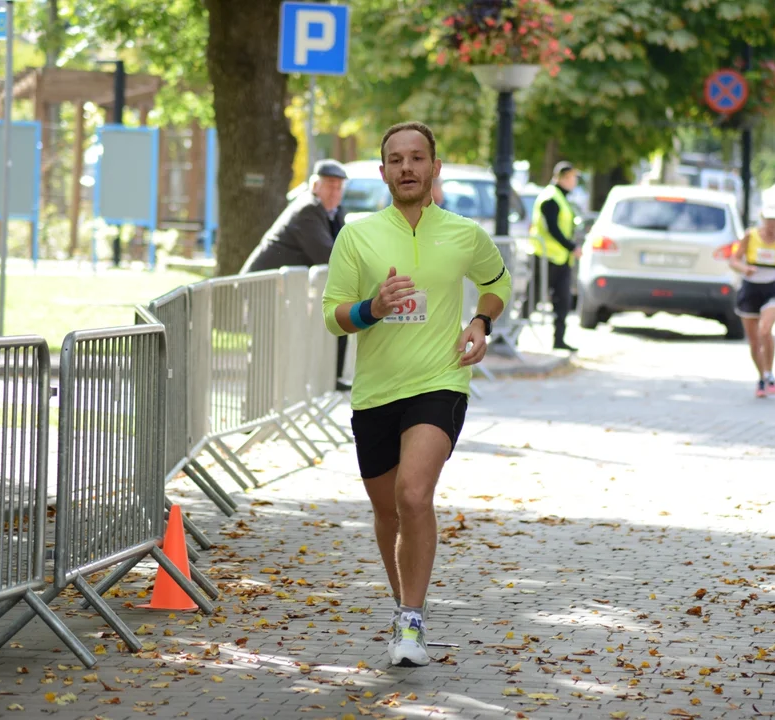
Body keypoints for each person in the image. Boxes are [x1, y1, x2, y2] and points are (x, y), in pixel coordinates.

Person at [321, 121, 512, 667]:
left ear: (434, 167)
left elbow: (497, 284)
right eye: (396, 160)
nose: (407, 168)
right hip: (376, 392)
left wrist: (480, 321)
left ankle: (411, 619)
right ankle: (403, 603)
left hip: (441, 382)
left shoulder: (463, 233)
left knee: (412, 494)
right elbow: (334, 318)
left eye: (417, 158)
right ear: (383, 172)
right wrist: (373, 309)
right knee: (387, 511)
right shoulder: (357, 235)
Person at [241, 159, 352, 388]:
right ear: (315, 186)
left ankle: (327, 380)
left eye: (339, 187)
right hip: (263, 287)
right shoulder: (308, 209)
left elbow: (347, 248)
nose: (335, 192)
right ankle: (256, 407)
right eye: (330, 185)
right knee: (265, 349)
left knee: (278, 348)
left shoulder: (334, 212)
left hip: (282, 290)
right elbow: (329, 255)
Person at [729, 195, 775, 399]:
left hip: (772, 288)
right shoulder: (750, 236)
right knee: (753, 340)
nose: (772, 224)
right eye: (769, 219)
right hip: (751, 288)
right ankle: (762, 377)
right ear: (762, 218)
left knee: (765, 330)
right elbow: (734, 259)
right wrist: (744, 268)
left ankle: (769, 372)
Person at [526, 161, 582, 352]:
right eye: (572, 178)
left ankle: (559, 340)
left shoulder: (561, 197)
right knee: (532, 299)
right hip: (545, 257)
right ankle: (509, 336)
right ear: (562, 178)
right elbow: (553, 229)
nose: (574, 182)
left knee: (563, 301)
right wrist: (572, 246)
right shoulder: (550, 197)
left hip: (561, 258)